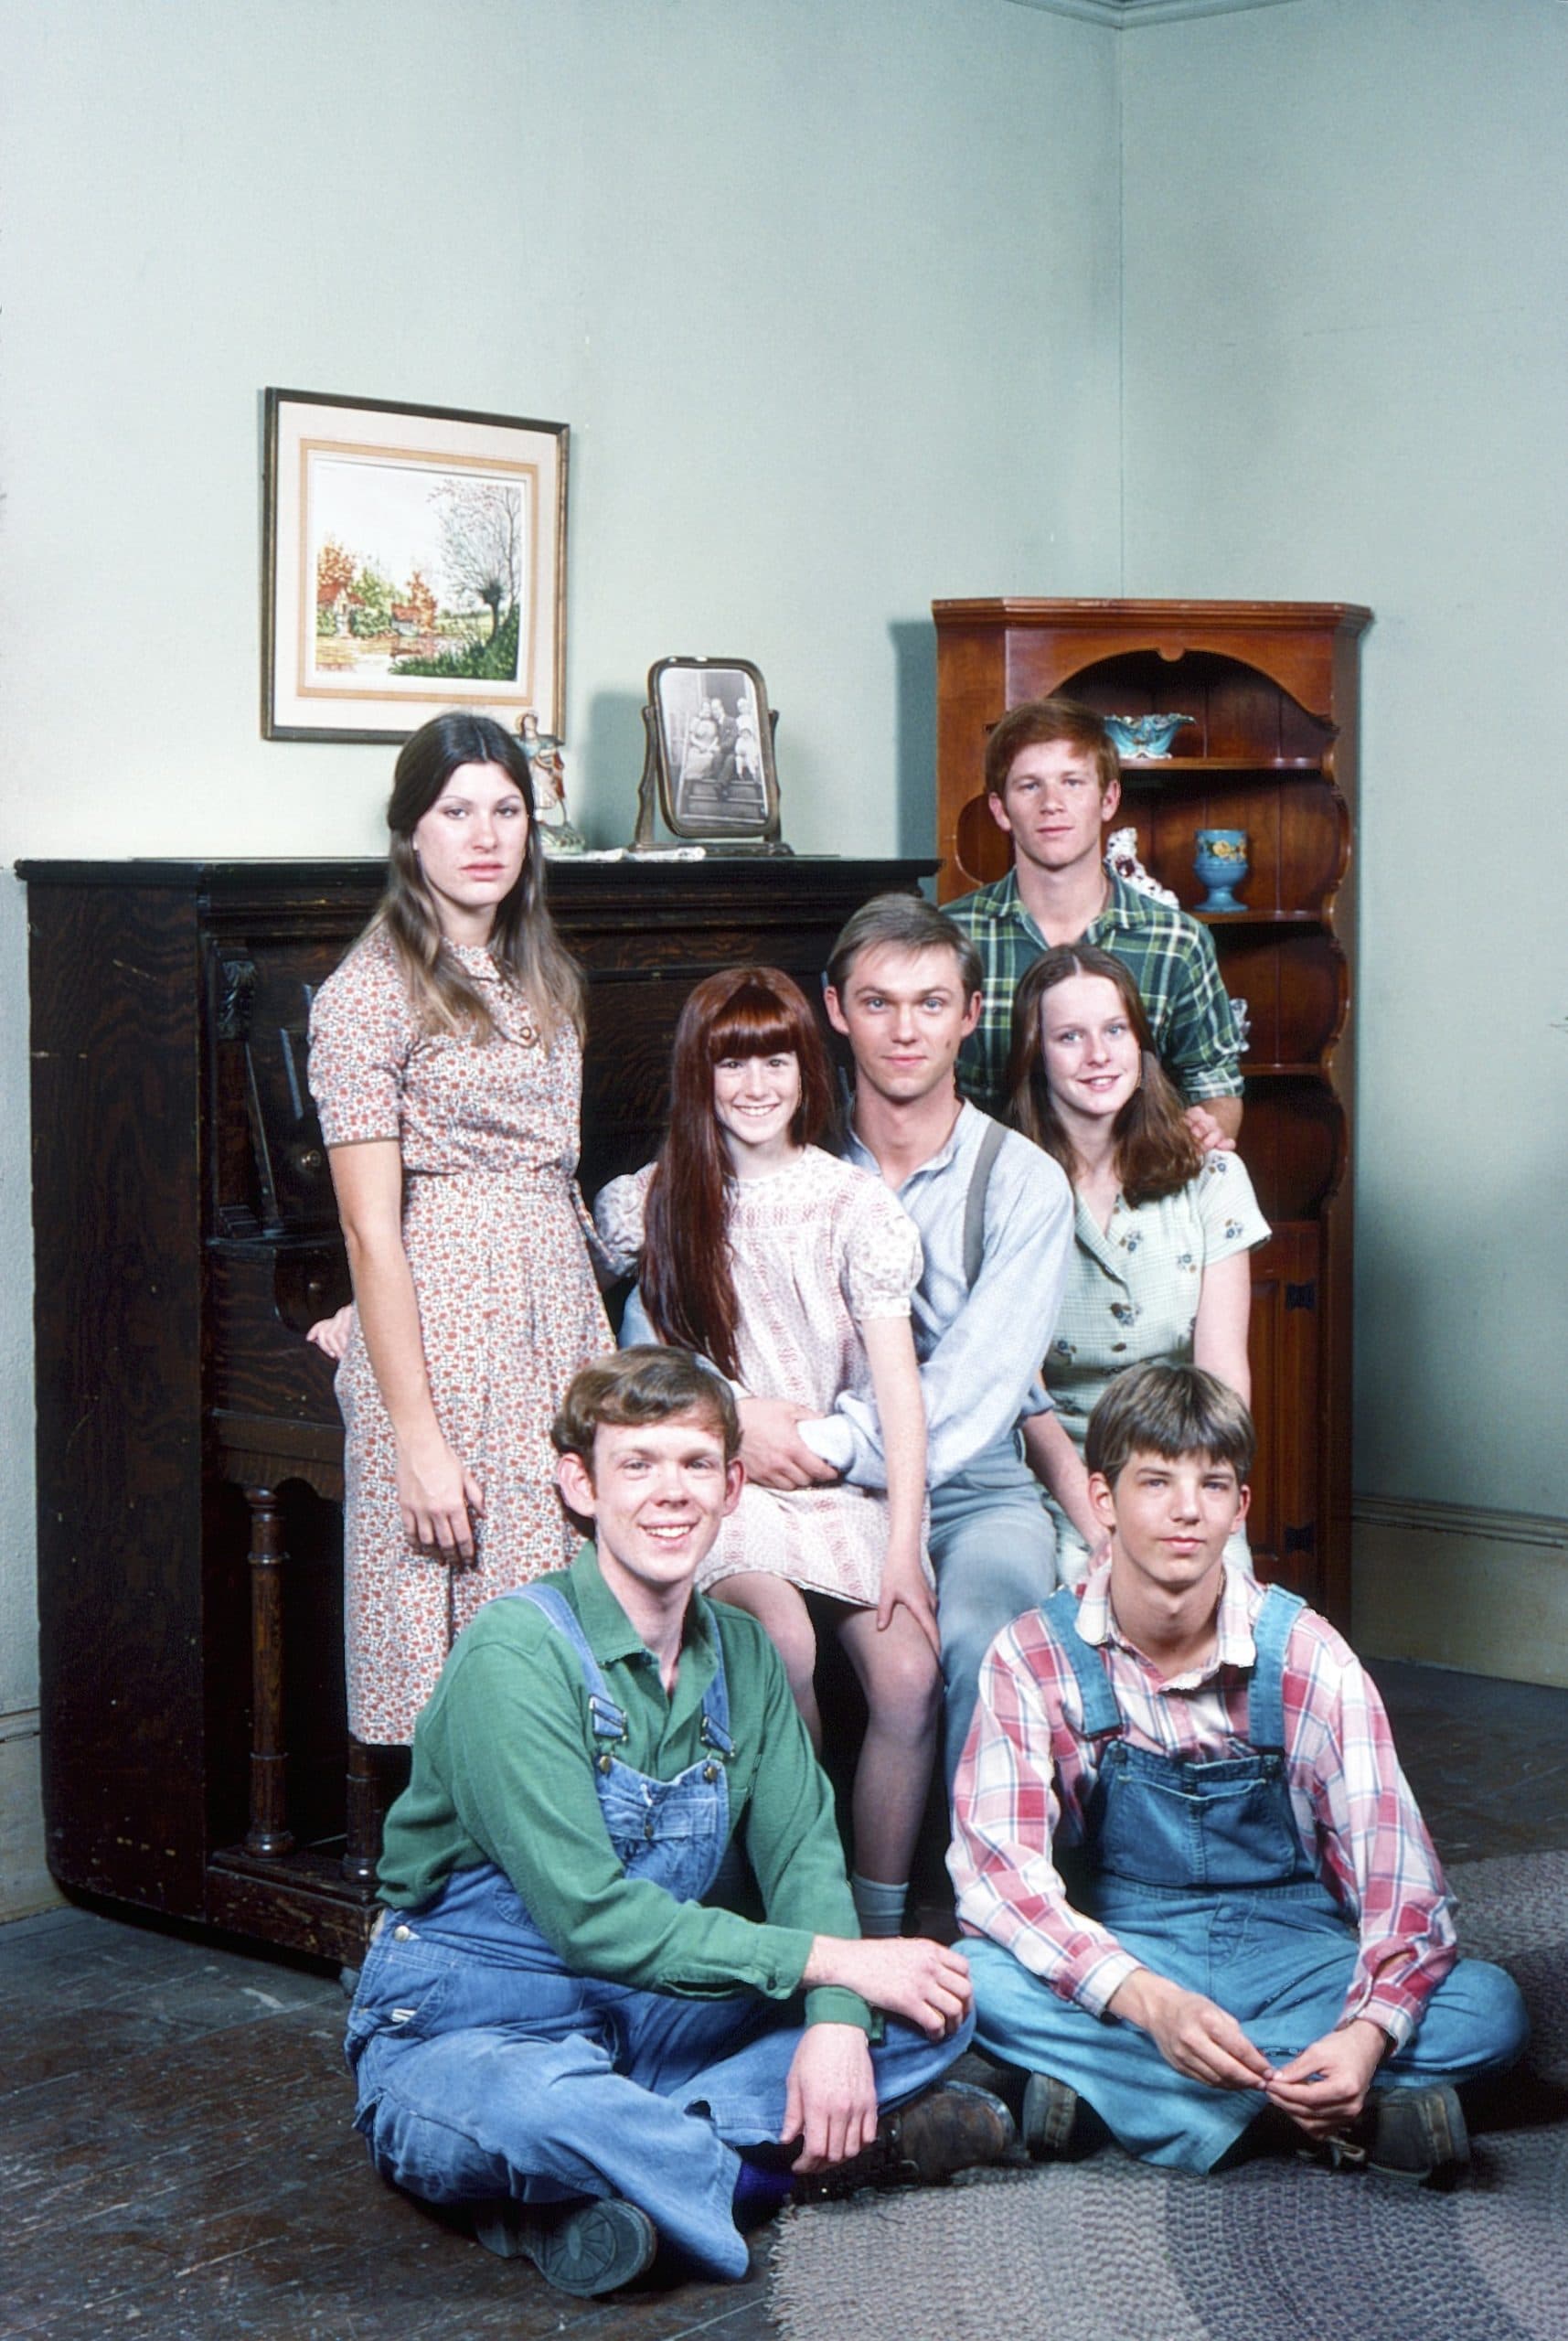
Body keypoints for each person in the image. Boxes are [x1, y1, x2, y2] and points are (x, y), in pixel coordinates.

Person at [345, 1349, 1012, 2299]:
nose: (671, 1494)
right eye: (638, 1464)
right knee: (532, 2109)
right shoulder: (514, 1653)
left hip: (649, 2017)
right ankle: (779, 2170)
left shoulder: (741, 1651)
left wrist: (832, 2024)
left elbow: (803, 1862)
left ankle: (625, 2179)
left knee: (942, 1994)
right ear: (579, 1483)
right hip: (469, 2023)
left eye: (696, 1465)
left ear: (733, 1484)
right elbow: (590, 1919)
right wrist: (833, 1966)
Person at [951, 1363, 1528, 2182]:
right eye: (1155, 1481)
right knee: (973, 1980)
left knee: (1491, 2008)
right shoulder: (1032, 1655)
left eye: (1211, 1484)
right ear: (1102, 1500)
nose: (1186, 1509)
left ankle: (1127, 2099)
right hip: (1137, 1946)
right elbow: (997, 1877)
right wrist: (1149, 2003)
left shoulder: (1307, 1655)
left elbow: (1402, 1886)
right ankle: (1323, 2114)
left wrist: (1362, 2036)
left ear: (1238, 1508)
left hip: (1297, 1952)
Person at [594, 967, 940, 1940]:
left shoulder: (850, 1204)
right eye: (729, 1063)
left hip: (837, 1487)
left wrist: (905, 1546)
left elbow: (899, 1396)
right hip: (722, 1487)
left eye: (774, 1060)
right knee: (779, 1639)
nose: (753, 1085)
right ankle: (803, 1899)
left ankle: (874, 1916)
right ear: (697, 1076)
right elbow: (590, 1319)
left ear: (805, 1070)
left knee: (909, 1677)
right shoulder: (654, 1200)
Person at [307, 710, 611, 1745]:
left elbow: (549, 1169)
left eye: (507, 809)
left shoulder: (539, 970)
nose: (484, 835)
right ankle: (453, 1888)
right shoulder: (366, 995)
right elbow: (370, 1230)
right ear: (409, 834)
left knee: (566, 1603)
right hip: (452, 1328)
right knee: (470, 1619)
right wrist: (416, 1439)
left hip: (553, 1302)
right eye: (455, 811)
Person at [732, 893, 1075, 1787]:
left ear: (969, 1015)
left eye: (930, 1003)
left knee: (981, 1638)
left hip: (968, 1488)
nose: (903, 1030)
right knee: (740, 1632)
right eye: (877, 1002)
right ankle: (789, 1898)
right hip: (793, 1494)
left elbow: (970, 1393)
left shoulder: (1022, 1184)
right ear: (835, 1010)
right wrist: (730, 1418)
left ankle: (971, 1900)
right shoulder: (777, 1145)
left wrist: (812, 1442)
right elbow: (669, 1299)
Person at [1006, 943, 1269, 1586]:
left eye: (1114, 1031)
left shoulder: (1211, 1177)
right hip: (1055, 1471)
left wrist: (1196, 1501)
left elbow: (1221, 1375)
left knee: (1216, 1602)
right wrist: (1099, 1526)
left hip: (1183, 1459)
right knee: (1072, 1603)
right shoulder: (1004, 1186)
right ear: (1036, 1054)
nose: (1098, 1055)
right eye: (1069, 1036)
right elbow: (1024, 1392)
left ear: (1140, 1044)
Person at [946, 696, 1243, 1141]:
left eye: (1073, 782)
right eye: (1030, 786)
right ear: (1000, 810)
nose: (1052, 803)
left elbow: (1213, 1086)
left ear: (1108, 799)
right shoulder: (950, 940)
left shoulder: (1176, 942)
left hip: (1129, 1191)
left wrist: (1202, 1133)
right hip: (988, 1196)